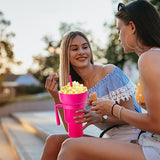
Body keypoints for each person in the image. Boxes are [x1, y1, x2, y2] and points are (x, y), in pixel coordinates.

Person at [56, 0, 160, 160]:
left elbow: (156, 124)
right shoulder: (151, 57)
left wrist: (112, 110)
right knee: (56, 142)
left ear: (132, 27)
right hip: (148, 141)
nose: (118, 37)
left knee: (70, 147)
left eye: (119, 30)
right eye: (74, 48)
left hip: (154, 148)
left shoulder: (149, 58)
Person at [41, 31, 141, 160]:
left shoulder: (109, 72)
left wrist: (101, 118)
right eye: (75, 49)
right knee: (53, 141)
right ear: (66, 55)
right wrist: (56, 97)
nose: (81, 52)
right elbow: (70, 127)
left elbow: (131, 115)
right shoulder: (75, 88)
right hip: (111, 139)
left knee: (70, 145)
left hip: (134, 137)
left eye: (85, 47)